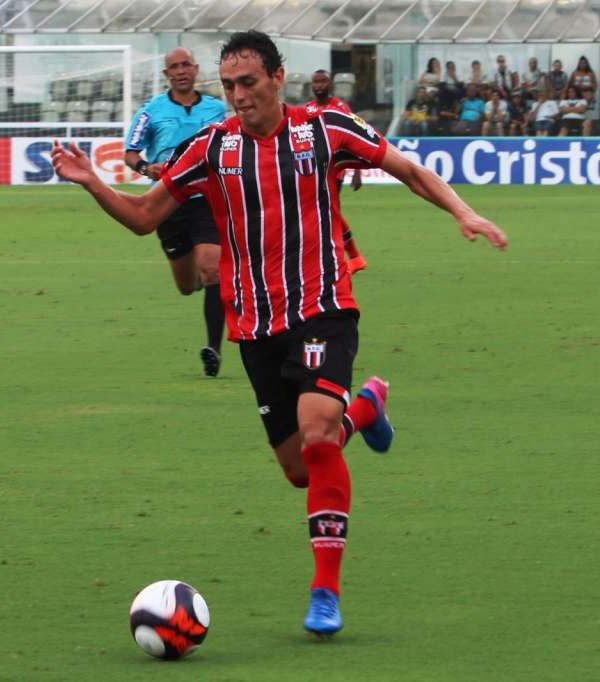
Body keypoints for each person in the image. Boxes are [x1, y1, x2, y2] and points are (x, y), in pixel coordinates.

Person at [51, 30, 507, 638]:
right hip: (256, 324)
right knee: (299, 469)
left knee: (318, 438)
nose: (239, 95)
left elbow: (407, 169)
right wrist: (93, 184)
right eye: (230, 85)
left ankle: (325, 592)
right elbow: (143, 217)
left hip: (323, 306)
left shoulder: (324, 129)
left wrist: (463, 211)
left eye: (249, 82)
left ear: (277, 77)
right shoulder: (210, 147)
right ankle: (365, 408)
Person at [123, 47, 229, 377]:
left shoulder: (217, 109)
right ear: (166, 74)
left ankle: (214, 348)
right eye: (174, 67)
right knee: (187, 284)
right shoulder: (150, 111)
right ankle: (197, 275)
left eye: (186, 65)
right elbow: (130, 153)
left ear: (196, 70)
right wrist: (145, 168)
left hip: (207, 200)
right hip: (168, 202)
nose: (181, 71)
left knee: (213, 269)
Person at [305, 69, 367, 273]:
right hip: (314, 170)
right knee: (327, 212)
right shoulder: (308, 108)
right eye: (316, 82)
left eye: (323, 81)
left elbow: (355, 138)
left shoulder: (340, 107)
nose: (319, 85)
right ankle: (347, 256)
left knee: (329, 212)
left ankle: (346, 257)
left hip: (334, 169)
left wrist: (357, 171)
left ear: (329, 84)